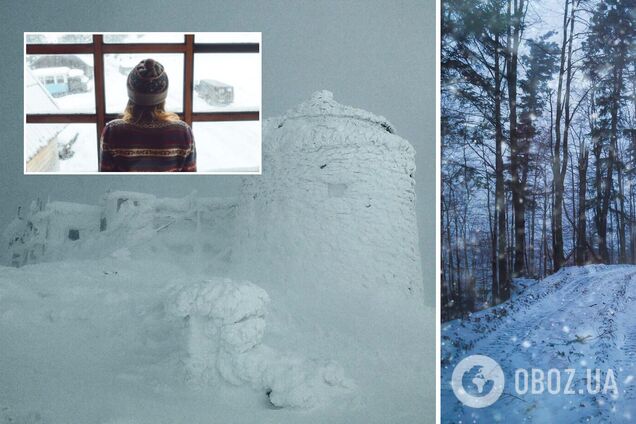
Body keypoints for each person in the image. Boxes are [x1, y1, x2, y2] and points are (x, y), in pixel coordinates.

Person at [99, 58, 196, 172]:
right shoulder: (182, 132)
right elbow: (190, 183)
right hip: (170, 190)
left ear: (130, 93)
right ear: (163, 95)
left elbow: (106, 183)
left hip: (125, 191)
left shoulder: (113, 131)